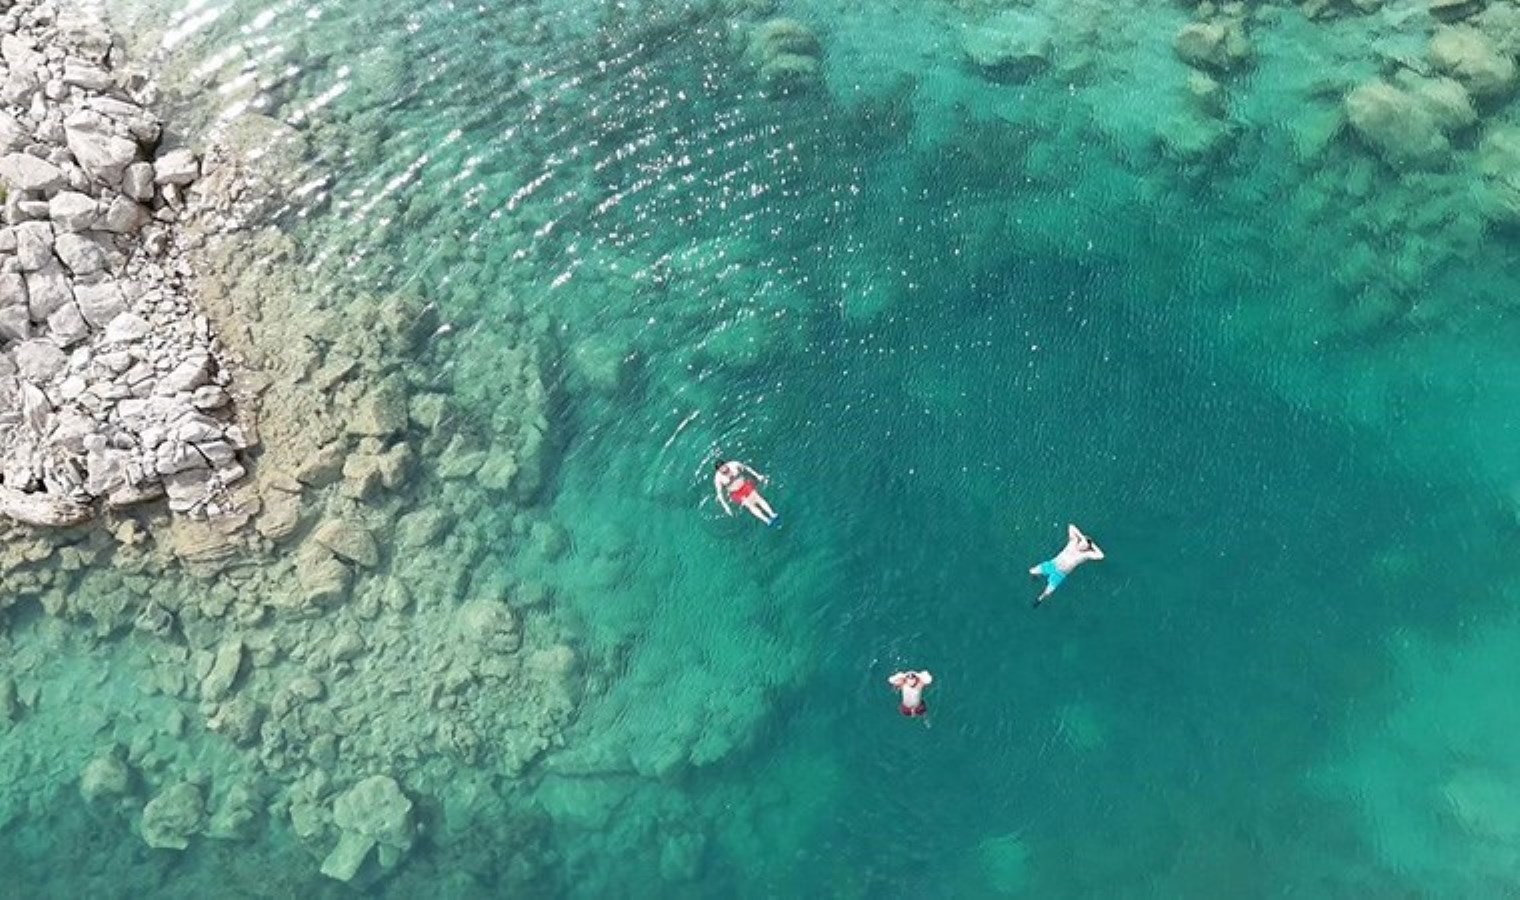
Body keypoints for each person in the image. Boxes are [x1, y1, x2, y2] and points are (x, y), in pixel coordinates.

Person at [1031, 523, 1105, 607]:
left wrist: (1092, 545)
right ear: (1080, 540)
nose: (1083, 546)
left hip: (1060, 574)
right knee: (1032, 571)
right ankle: (1036, 577)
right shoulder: (1072, 541)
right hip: (1052, 565)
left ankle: (1039, 599)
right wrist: (1081, 536)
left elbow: (1101, 556)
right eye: (1083, 543)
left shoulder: (1085, 555)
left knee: (1048, 592)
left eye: (1086, 546)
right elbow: (1071, 526)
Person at [714, 460, 779, 526]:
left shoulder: (734, 465)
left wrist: (758, 476)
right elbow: (719, 493)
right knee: (750, 504)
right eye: (722, 470)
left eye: (725, 467)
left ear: (726, 464)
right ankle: (766, 520)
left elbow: (747, 468)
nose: (725, 471)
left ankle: (772, 514)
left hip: (744, 485)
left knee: (757, 498)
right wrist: (726, 507)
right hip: (736, 493)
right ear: (719, 471)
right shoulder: (718, 478)